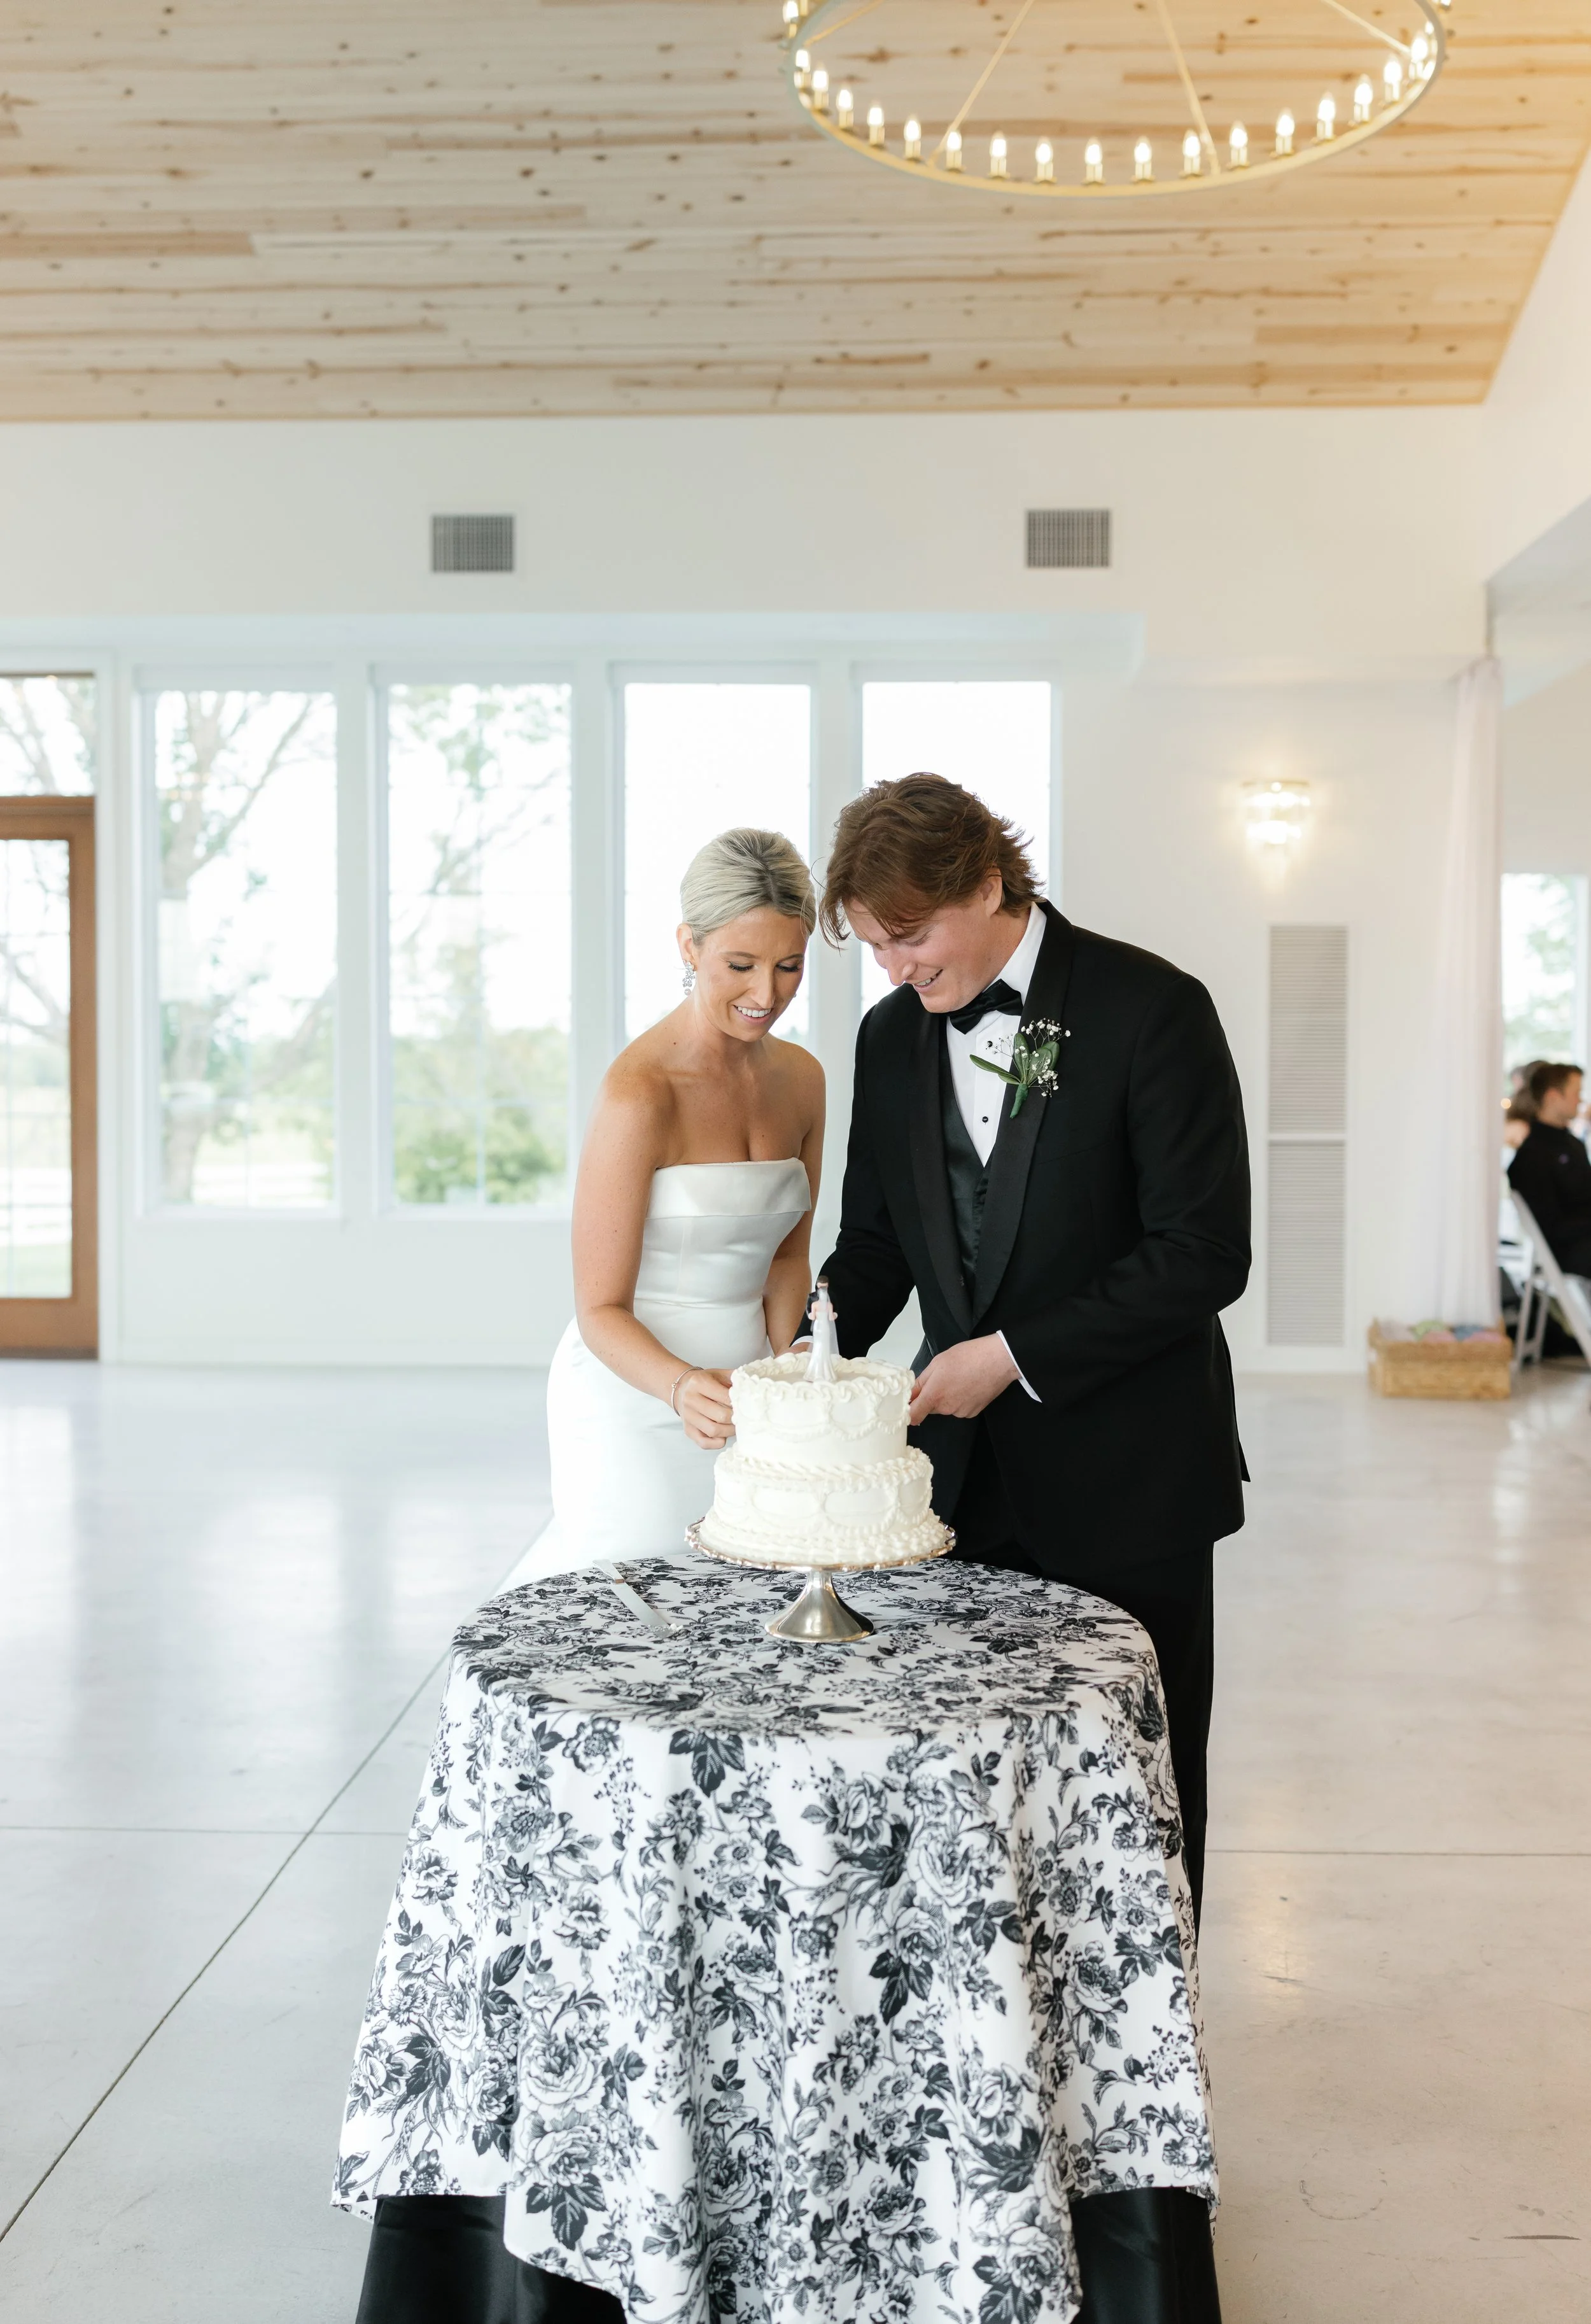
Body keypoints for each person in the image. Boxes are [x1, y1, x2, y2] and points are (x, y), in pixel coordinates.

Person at [353, 826, 824, 2324]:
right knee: (638, 1636)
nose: (765, 994)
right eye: (741, 963)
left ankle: (732, 1955)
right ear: (684, 947)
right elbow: (600, 1301)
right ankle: (593, 1927)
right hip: (633, 1386)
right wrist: (687, 1386)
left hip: (746, 1378)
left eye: (789, 967)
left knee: (755, 1649)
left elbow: (787, 1250)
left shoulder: (805, 1077)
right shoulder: (637, 1089)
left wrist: (787, 1355)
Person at [816, 773, 1246, 2321]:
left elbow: (1207, 1251)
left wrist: (1012, 1352)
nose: (894, 969)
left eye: (909, 934)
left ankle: (1138, 2153)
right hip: (962, 1488)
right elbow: (878, 1242)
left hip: (1130, 1478)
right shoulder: (884, 1036)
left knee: (1134, 1807)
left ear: (992, 879)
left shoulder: (1149, 1006)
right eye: (870, 945)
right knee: (967, 1811)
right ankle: (979, 2114)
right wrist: (802, 1347)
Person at [1508, 1060, 1591, 1275]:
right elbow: (1553, 1227)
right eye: (1576, 1093)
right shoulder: (1532, 1157)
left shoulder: (1573, 1145)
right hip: (1573, 1251)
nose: (1581, 1100)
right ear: (1553, 1097)